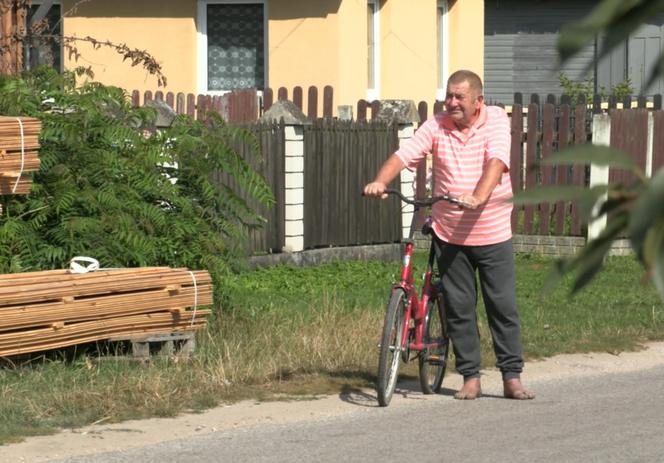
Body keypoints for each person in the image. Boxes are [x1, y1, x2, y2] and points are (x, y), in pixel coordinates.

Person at [363, 69, 535, 400]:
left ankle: (511, 376)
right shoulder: (437, 125)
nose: (452, 102)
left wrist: (479, 196)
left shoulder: (496, 120)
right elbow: (405, 154)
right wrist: (381, 181)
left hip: (492, 232)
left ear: (478, 101)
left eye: (460, 97)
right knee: (459, 307)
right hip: (450, 234)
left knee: (502, 305)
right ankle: (470, 376)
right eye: (449, 96)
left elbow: (496, 162)